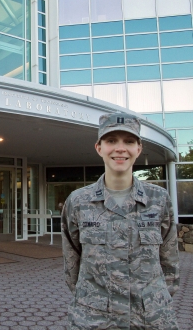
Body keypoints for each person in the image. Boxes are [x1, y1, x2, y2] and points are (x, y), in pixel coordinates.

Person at [61, 112, 180, 329]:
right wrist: (92, 301)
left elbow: (170, 263)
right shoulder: (78, 202)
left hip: (150, 319)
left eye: (129, 141)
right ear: (99, 148)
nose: (120, 148)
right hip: (93, 319)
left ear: (138, 148)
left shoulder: (158, 199)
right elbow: (72, 265)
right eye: (111, 140)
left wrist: (154, 301)